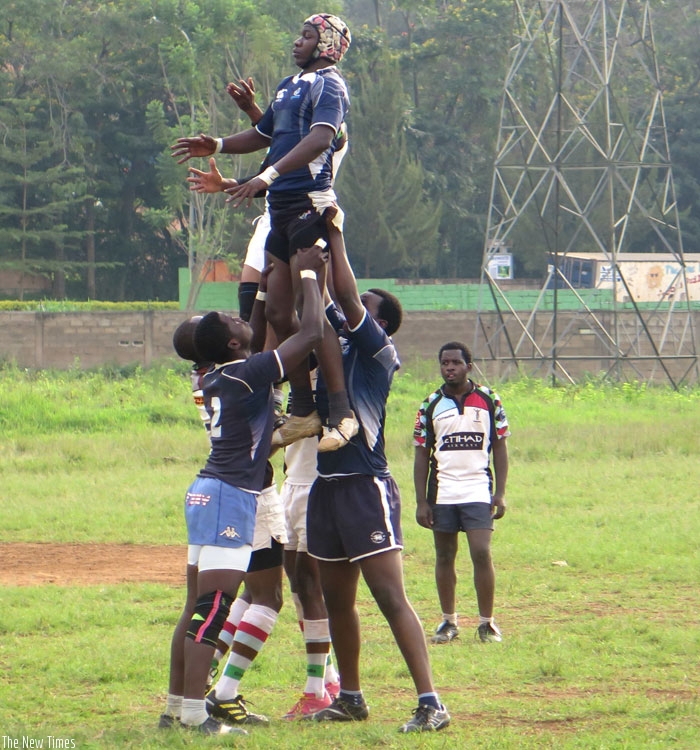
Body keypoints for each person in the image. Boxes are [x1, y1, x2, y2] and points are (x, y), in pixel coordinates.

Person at [172, 14, 357, 453]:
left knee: (316, 312)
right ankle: (304, 411)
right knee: (276, 315)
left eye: (308, 35)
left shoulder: (331, 86)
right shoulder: (290, 85)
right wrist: (217, 144)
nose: (298, 41)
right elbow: (263, 132)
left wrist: (267, 175)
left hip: (310, 209)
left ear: (328, 44)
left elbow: (319, 140)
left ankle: (341, 409)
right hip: (280, 212)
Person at [164, 244, 327, 735]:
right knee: (213, 608)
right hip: (228, 497)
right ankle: (195, 715)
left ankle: (176, 708)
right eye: (232, 323)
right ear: (233, 346)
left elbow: (253, 330)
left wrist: (264, 268)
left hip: (210, 492)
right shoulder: (246, 373)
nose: (241, 323)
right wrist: (309, 278)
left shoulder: (220, 375)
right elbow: (313, 332)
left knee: (198, 606)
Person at [303, 226, 451, 733]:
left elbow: (341, 293)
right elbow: (320, 299)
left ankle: (431, 702)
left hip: (366, 486)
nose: (350, 307)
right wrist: (306, 256)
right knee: (337, 601)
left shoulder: (378, 353)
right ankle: (350, 696)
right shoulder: (330, 346)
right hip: (327, 487)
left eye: (363, 306)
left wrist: (337, 233)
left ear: (379, 321)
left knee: (389, 597)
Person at [413, 342, 509, 645]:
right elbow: (421, 455)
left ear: (469, 365)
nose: (449, 368)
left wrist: (501, 493)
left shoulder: (489, 399)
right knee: (445, 555)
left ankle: (487, 623)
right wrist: (420, 501)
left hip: (478, 489)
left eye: (455, 362)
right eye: (444, 363)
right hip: (443, 493)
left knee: (481, 551)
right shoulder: (430, 404)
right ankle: (448, 622)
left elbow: (500, 447)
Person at [279, 375, 341, 720]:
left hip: (316, 488)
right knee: (298, 587)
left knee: (311, 587)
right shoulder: (294, 380)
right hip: (291, 485)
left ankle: (315, 690)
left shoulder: (334, 382)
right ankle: (329, 679)